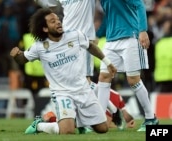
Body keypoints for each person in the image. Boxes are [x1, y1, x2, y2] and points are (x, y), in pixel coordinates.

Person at [10, 8, 117, 135]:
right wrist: (16, 55)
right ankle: (39, 126)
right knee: (67, 132)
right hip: (62, 93)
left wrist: (107, 62)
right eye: (52, 21)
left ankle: (75, 122)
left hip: (83, 90)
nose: (58, 22)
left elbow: (90, 46)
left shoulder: (75, 35)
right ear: (45, 28)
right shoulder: (39, 47)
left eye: (58, 20)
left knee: (103, 129)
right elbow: (23, 59)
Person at [34, 0, 126, 130]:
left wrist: (97, 33)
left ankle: (110, 112)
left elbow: (106, 7)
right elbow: (50, 6)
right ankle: (112, 110)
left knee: (85, 82)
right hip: (65, 41)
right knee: (78, 82)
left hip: (84, 40)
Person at [96, 0, 159, 132]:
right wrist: (97, 34)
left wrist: (142, 30)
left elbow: (139, 5)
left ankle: (150, 118)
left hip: (131, 36)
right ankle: (99, 120)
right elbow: (110, 16)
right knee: (103, 77)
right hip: (111, 40)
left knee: (133, 80)